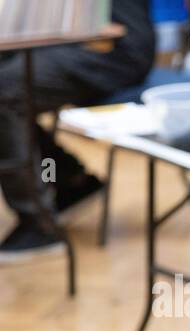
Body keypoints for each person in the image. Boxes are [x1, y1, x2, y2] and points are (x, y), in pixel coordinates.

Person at [0, 0, 155, 258]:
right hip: (63, 39)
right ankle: (70, 180)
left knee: (5, 91)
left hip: (113, 49)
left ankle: (38, 225)